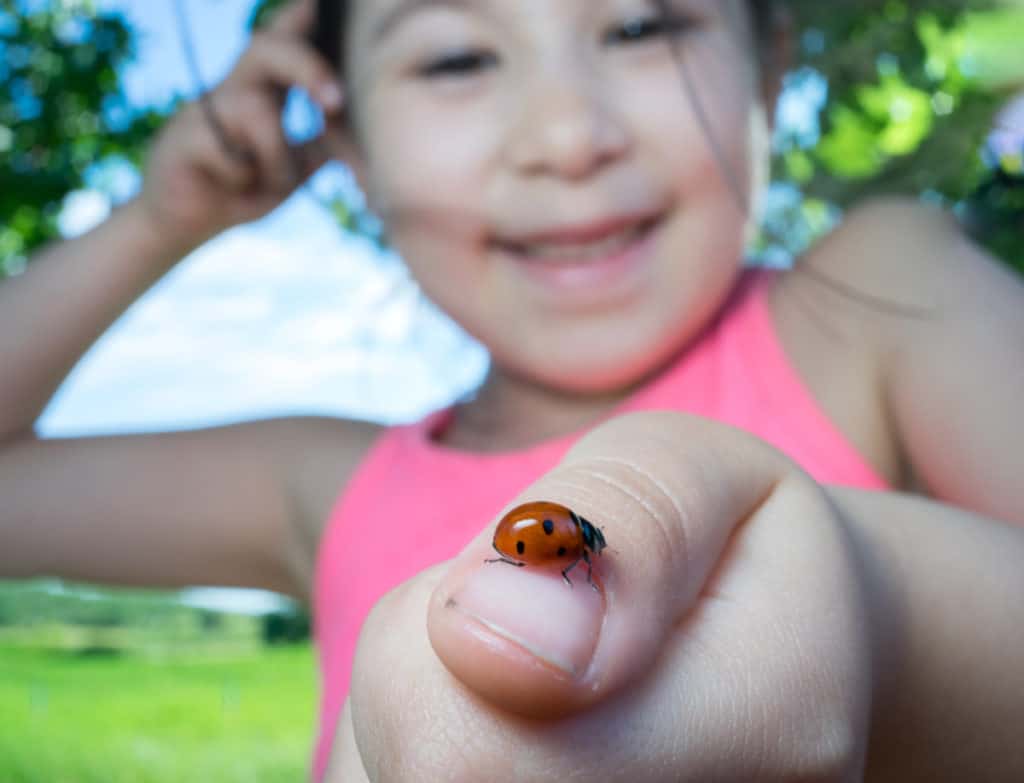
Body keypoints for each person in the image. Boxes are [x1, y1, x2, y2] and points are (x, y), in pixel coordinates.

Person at [1, 0, 1021, 780]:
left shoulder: (886, 292)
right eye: (455, 57)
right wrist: (159, 220)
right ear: (346, 147)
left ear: (766, 71)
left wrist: (879, 620)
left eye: (639, 25)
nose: (568, 137)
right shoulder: (319, 482)